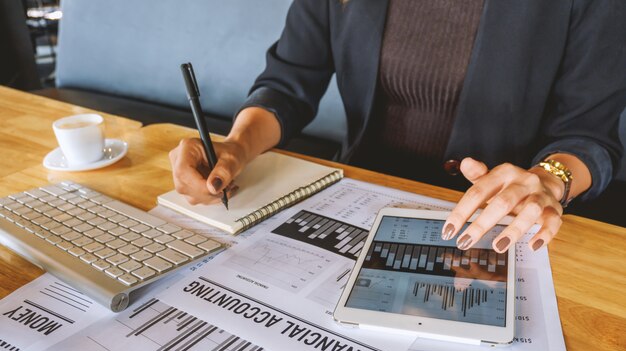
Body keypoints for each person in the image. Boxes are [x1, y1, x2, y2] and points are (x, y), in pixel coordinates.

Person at [169, 0, 625, 254]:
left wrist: (549, 181)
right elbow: (287, 85)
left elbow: (590, 136)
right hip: (359, 209)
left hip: (505, 227)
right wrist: (235, 147)